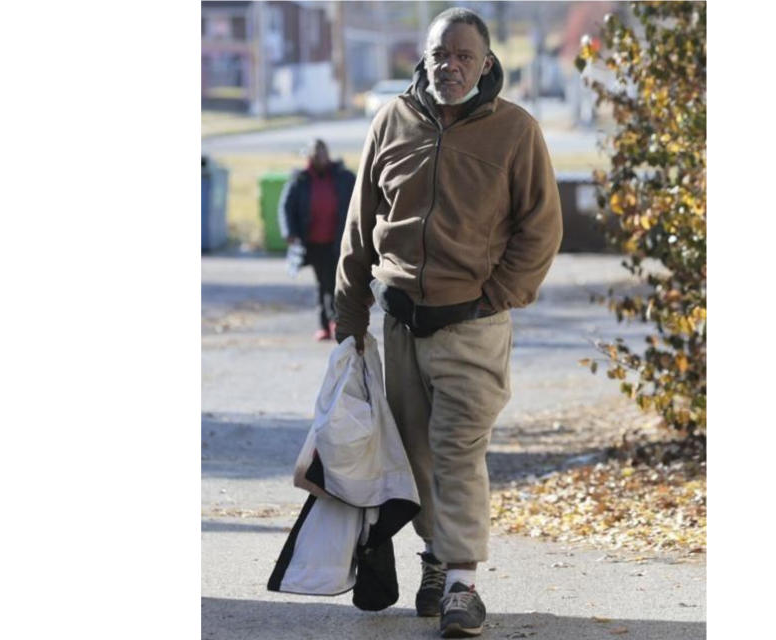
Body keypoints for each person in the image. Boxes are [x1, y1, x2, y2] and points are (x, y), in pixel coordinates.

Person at [334, 7, 563, 637]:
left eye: (464, 56)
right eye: (441, 54)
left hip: (474, 326)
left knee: (458, 450)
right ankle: (436, 558)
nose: (451, 66)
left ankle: (462, 584)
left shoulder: (515, 131)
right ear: (424, 57)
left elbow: (541, 228)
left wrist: (498, 295)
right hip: (401, 324)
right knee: (418, 457)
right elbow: (360, 226)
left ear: (486, 63)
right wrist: (349, 318)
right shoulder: (392, 120)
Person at [279, 139, 356, 341]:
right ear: (309, 157)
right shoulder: (300, 180)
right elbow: (285, 207)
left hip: (337, 240)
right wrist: (290, 232)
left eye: (322, 153)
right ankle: (328, 323)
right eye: (315, 155)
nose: (319, 158)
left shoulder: (343, 177)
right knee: (323, 283)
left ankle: (333, 320)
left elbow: (360, 198)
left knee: (332, 281)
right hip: (312, 241)